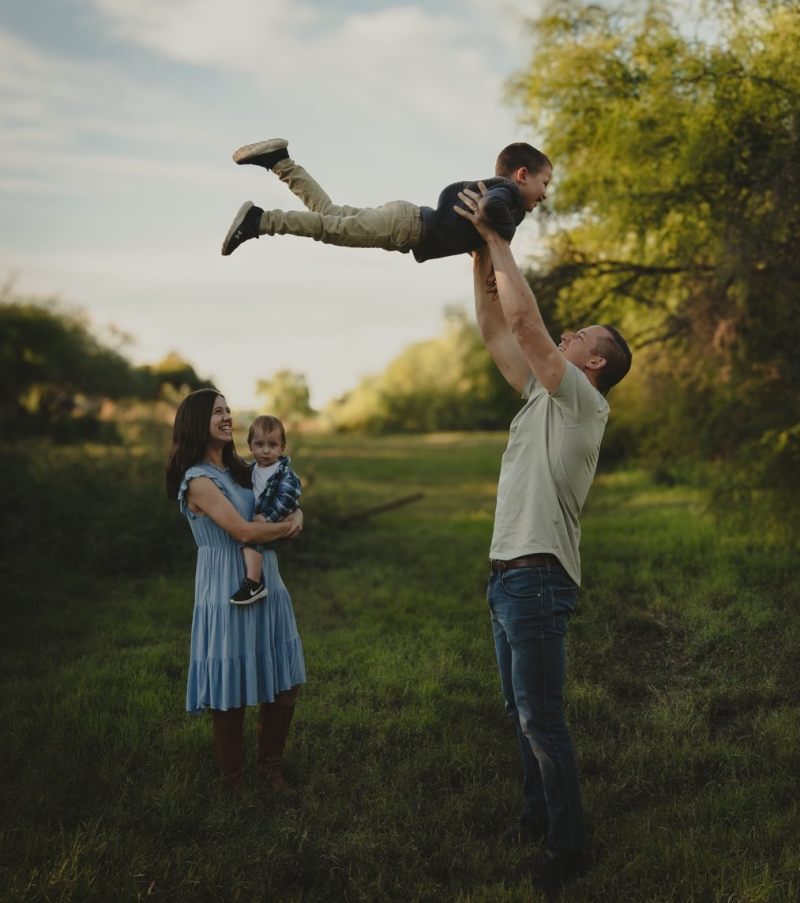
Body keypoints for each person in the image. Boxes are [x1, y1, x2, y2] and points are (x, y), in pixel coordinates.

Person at [455, 184, 632, 890]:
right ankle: (537, 813)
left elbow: (528, 323)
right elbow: (499, 329)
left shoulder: (585, 402)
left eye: (581, 335)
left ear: (593, 363)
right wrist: (477, 254)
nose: (569, 332)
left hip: (538, 576)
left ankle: (568, 844)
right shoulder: (539, 392)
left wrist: (502, 238)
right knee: (518, 710)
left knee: (542, 716)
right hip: (506, 574)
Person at [165, 388, 306, 797]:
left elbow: (282, 492)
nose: (227, 417)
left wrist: (295, 511)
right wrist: (286, 527)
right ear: (196, 422)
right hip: (227, 583)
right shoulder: (198, 480)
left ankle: (270, 768)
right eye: (217, 412)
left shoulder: (242, 468)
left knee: (284, 681)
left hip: (268, 579)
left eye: (228, 410)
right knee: (231, 687)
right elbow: (244, 531)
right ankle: (234, 781)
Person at [220, 138, 551, 262]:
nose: (546, 194)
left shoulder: (499, 194)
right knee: (330, 229)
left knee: (330, 214)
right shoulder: (507, 196)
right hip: (407, 227)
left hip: (407, 218)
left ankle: (280, 162)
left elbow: (472, 214)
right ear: (522, 175)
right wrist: (502, 240)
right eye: (544, 183)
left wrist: (477, 242)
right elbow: (490, 209)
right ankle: (261, 221)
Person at [230, 414, 302, 605]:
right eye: (260, 445)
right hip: (257, 518)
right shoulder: (251, 469)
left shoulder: (283, 473)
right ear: (250, 446)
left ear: (281, 448)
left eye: (272, 445)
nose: (265, 451)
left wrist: (267, 517)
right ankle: (254, 581)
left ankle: (254, 583)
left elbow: (286, 498)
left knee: (251, 542)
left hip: (271, 518)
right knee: (250, 542)